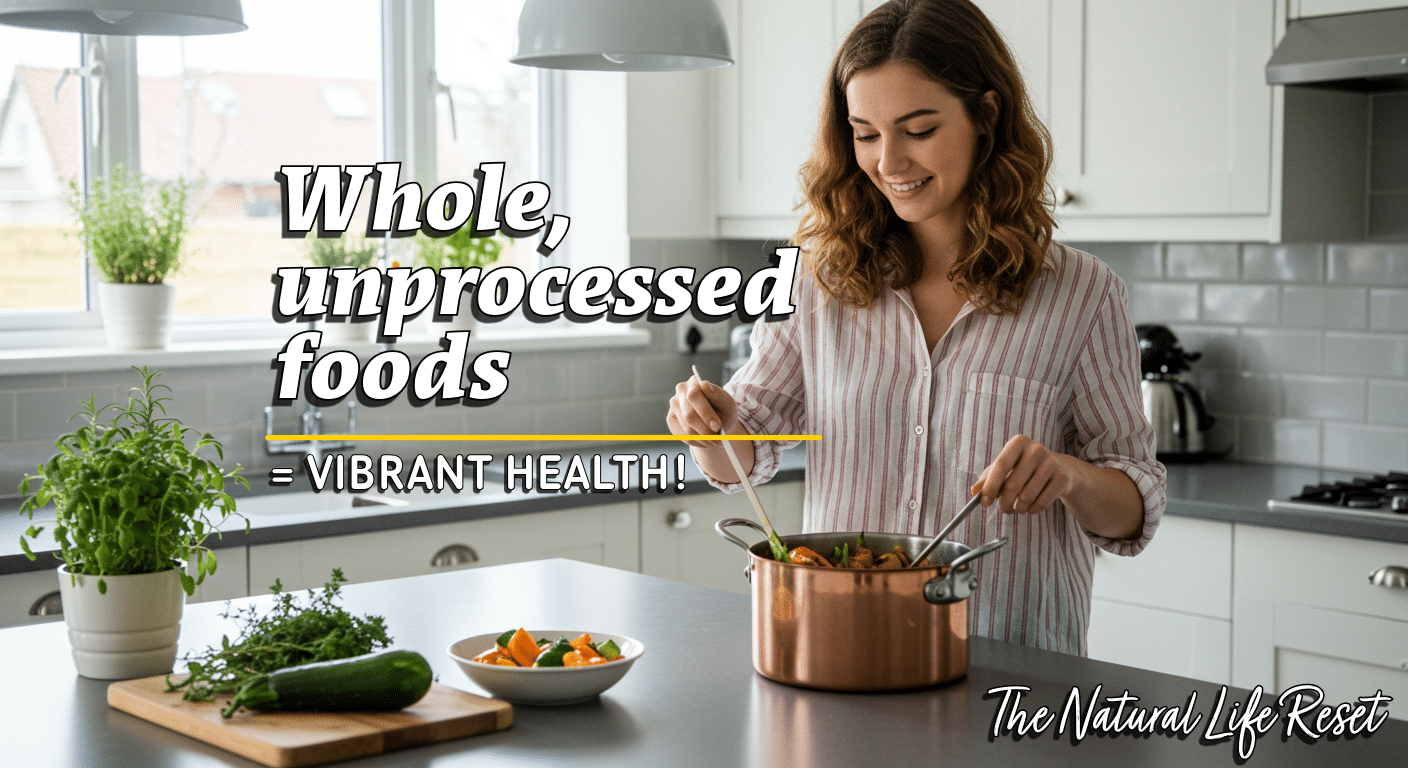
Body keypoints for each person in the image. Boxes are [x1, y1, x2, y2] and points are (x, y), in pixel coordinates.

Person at [666, 0, 1166, 655]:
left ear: (986, 116)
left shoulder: (1081, 292)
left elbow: (1132, 508)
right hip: (846, 653)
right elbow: (744, 452)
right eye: (865, 133)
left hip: (1009, 664)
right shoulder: (816, 281)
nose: (889, 162)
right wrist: (714, 425)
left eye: (918, 129)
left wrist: (1069, 476)